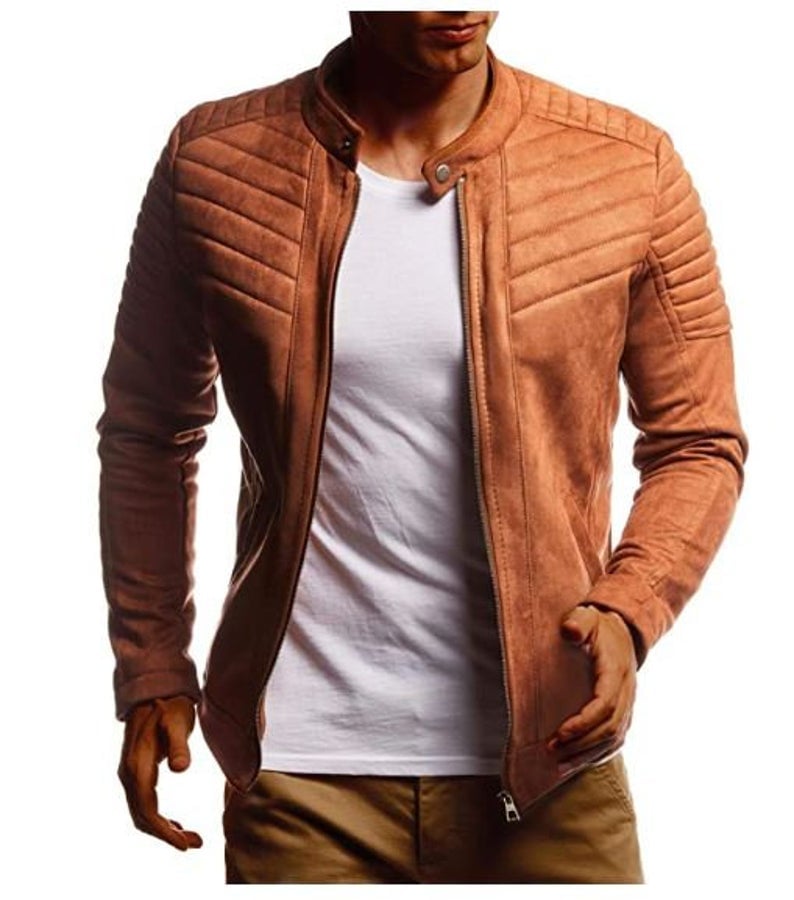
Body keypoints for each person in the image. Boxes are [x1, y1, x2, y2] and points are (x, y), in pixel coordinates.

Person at [95, 10, 749, 885]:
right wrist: (151, 666)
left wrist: (631, 607)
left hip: (552, 761)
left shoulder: (627, 166)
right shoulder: (214, 161)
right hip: (302, 773)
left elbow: (698, 439)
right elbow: (147, 430)